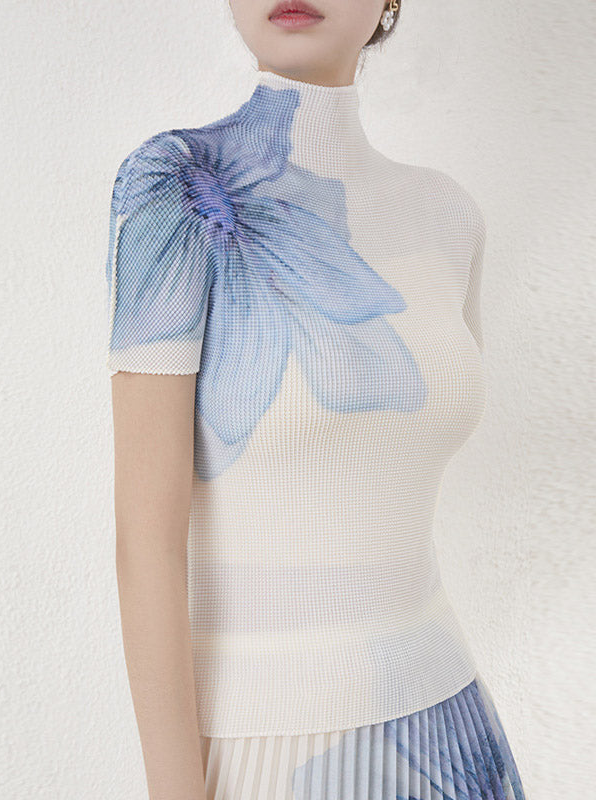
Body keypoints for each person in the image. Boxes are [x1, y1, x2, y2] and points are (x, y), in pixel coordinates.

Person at [105, 2, 528, 798]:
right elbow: (144, 541)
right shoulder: (174, 186)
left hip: (451, 727)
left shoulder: (449, 214)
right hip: (266, 748)